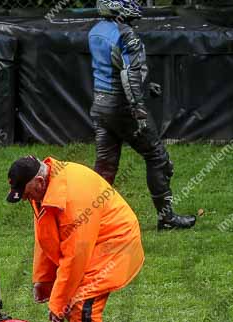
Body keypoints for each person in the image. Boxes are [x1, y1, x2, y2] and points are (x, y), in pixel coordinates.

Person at [6, 155, 144, 322]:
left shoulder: (73, 200)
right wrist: (44, 280)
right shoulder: (43, 189)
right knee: (73, 300)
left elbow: (75, 257)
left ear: (39, 181)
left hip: (116, 243)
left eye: (27, 194)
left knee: (81, 302)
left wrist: (58, 303)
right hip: (93, 242)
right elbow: (46, 235)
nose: (26, 199)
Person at [88, 0, 196, 231]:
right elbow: (128, 75)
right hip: (122, 107)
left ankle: (88, 221)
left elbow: (111, 67)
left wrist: (146, 87)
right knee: (157, 157)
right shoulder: (127, 34)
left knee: (105, 167)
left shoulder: (96, 30)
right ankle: (167, 219)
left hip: (100, 104)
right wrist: (138, 105)